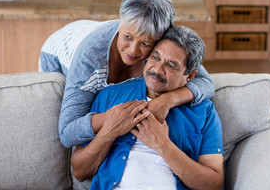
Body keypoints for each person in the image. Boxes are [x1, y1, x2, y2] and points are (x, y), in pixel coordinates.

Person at [40, 0, 214, 148]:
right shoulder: (88, 58)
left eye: (145, 43)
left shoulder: (162, 42)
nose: (132, 51)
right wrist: (116, 118)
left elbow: (205, 81)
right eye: (128, 37)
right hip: (59, 52)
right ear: (120, 20)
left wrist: (167, 100)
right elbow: (67, 133)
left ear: (159, 38)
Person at [71, 26, 224, 190]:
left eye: (171, 65)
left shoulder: (203, 111)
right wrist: (109, 131)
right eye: (155, 58)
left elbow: (213, 184)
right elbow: (80, 172)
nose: (157, 70)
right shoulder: (110, 96)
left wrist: (163, 145)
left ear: (191, 76)